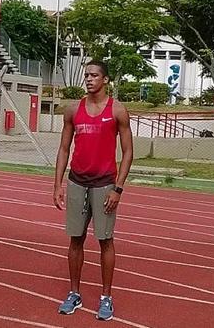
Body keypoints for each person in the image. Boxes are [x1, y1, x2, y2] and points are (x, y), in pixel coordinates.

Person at [53, 60, 133, 321]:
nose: (88, 79)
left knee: (105, 240)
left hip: (105, 184)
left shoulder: (118, 110)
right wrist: (58, 184)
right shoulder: (73, 109)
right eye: (86, 75)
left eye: (94, 75)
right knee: (75, 239)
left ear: (105, 79)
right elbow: (64, 149)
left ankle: (106, 297)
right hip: (77, 181)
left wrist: (117, 189)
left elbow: (128, 152)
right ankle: (74, 293)